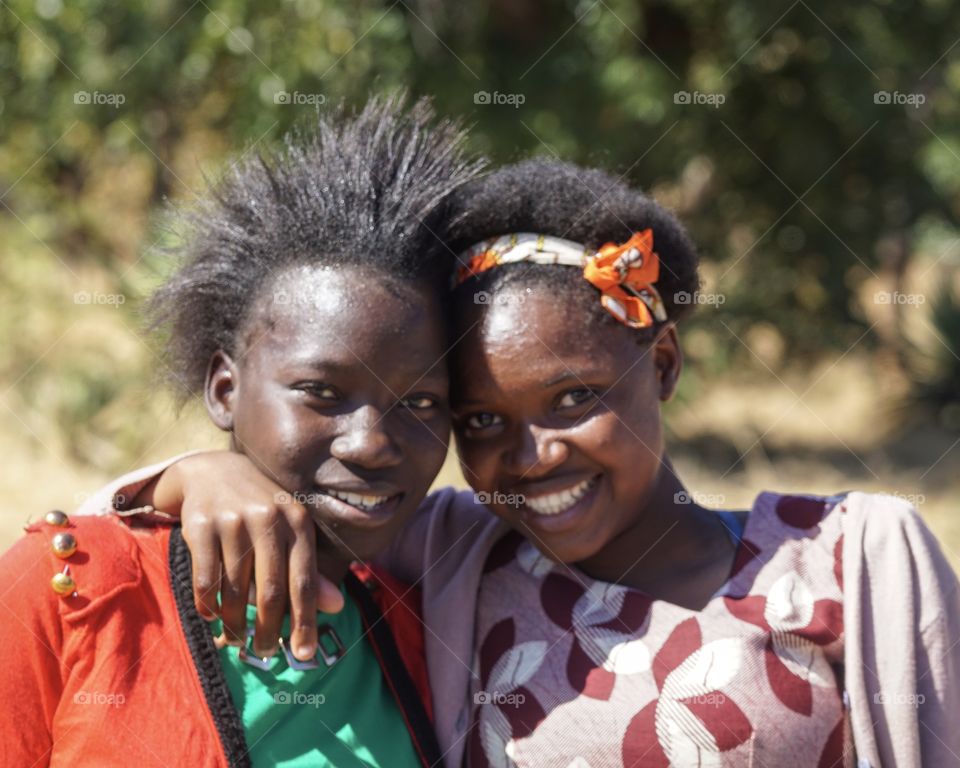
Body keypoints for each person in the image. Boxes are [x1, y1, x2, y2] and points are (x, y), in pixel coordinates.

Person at [76, 159, 960, 767]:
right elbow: (253, 510)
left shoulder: (849, 555)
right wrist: (198, 471)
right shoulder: (461, 551)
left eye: (575, 398)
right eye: (481, 417)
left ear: (661, 365)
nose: (530, 457)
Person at [0, 95, 485, 767]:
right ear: (225, 389)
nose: (372, 442)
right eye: (322, 392)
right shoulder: (79, 587)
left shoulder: (423, 628)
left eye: (424, 402)